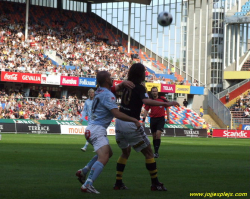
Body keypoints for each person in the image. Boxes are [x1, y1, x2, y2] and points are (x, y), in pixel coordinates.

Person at [113, 63, 179, 191]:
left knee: (125, 152)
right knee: (149, 153)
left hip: (120, 121)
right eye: (144, 71)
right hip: (131, 123)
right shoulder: (139, 87)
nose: (145, 74)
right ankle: (155, 183)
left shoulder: (126, 85)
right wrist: (166, 104)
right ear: (140, 74)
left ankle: (118, 182)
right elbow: (146, 101)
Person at [76, 71, 141, 194]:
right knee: (104, 157)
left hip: (91, 128)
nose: (112, 79)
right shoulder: (108, 95)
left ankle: (84, 171)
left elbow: (113, 88)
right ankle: (88, 184)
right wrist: (134, 120)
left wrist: (122, 84)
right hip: (97, 130)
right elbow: (116, 114)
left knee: (108, 153)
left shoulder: (98, 91)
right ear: (106, 80)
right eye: (110, 77)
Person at [142, 87, 170, 158]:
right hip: (153, 119)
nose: (154, 92)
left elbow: (167, 107)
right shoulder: (150, 101)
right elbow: (146, 110)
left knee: (158, 134)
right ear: (151, 92)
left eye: (155, 91)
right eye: (153, 91)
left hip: (161, 119)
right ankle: (155, 151)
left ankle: (156, 152)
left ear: (157, 92)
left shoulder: (162, 99)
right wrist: (143, 120)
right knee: (154, 136)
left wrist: (168, 118)